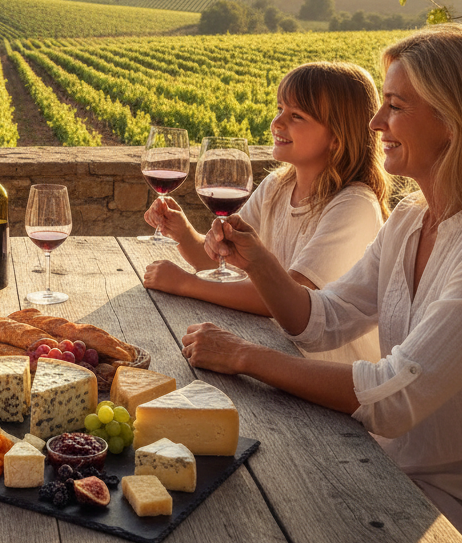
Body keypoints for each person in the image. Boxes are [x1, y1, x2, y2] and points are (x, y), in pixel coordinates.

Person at [182, 24, 462, 543]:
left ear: (453, 120)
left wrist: (244, 355)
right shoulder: (411, 222)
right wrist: (257, 259)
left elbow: (394, 399)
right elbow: (323, 319)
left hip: (454, 512)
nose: (376, 122)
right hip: (378, 464)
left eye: (394, 106)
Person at [144, 61, 389, 363]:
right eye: (279, 109)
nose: (276, 123)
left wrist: (185, 283)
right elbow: (219, 268)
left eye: (296, 116)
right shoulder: (276, 186)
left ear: (337, 138)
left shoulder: (354, 206)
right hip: (272, 349)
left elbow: (290, 298)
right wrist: (182, 233)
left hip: (323, 374)